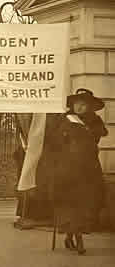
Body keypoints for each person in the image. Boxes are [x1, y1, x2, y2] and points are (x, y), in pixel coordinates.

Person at [52, 88, 107, 255]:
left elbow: (98, 136)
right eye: (77, 104)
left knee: (86, 201)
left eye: (83, 104)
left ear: (89, 106)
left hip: (89, 168)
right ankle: (78, 238)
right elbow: (55, 142)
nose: (79, 107)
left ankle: (72, 235)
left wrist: (87, 132)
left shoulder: (95, 121)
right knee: (71, 201)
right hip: (68, 168)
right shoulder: (65, 119)